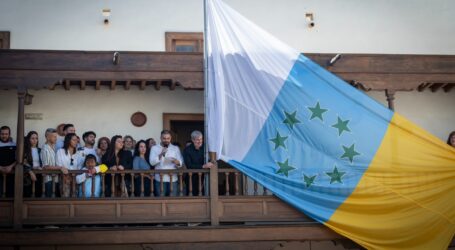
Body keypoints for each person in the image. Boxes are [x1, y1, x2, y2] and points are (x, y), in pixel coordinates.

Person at [149, 130, 183, 196]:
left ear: (170, 138)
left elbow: (180, 162)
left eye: (168, 138)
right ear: (160, 138)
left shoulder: (175, 148)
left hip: (173, 178)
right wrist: (161, 154)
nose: (166, 140)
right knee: (161, 200)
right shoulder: (154, 148)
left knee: (172, 201)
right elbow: (152, 162)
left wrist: (177, 162)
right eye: (164, 138)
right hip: (160, 179)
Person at [182, 131, 214, 196]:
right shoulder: (187, 150)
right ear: (192, 140)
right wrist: (203, 166)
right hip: (192, 177)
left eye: (201, 139)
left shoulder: (205, 148)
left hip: (204, 176)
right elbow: (189, 165)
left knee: (205, 194)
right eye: (197, 140)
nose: (200, 141)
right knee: (192, 195)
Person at [41, 128, 68, 197]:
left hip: (56, 180)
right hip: (49, 180)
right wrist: (60, 167)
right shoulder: (45, 148)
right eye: (54, 136)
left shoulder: (54, 148)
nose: (56, 138)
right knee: (50, 202)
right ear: (47, 137)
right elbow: (46, 166)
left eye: (56, 137)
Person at [56, 133, 80, 197]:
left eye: (76, 140)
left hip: (75, 180)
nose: (76, 142)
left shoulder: (77, 153)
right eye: (74, 140)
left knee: (75, 199)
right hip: (64, 179)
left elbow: (78, 167)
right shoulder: (60, 151)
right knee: (65, 199)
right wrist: (66, 177)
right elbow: (58, 165)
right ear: (68, 140)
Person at [23, 131, 40, 197]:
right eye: (32, 138)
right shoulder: (25, 150)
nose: (35, 140)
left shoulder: (39, 150)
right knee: (28, 194)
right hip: (28, 176)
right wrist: (30, 171)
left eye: (36, 138)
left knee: (38, 194)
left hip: (39, 175)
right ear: (28, 139)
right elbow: (24, 162)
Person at [0, 126, 16, 197]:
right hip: (0, 173)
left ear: (9, 134)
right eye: (2, 134)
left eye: (6, 134)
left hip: (11, 173)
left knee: (10, 195)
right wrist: (0, 168)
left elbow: (18, 159)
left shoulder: (14, 144)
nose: (4, 136)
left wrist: (11, 166)